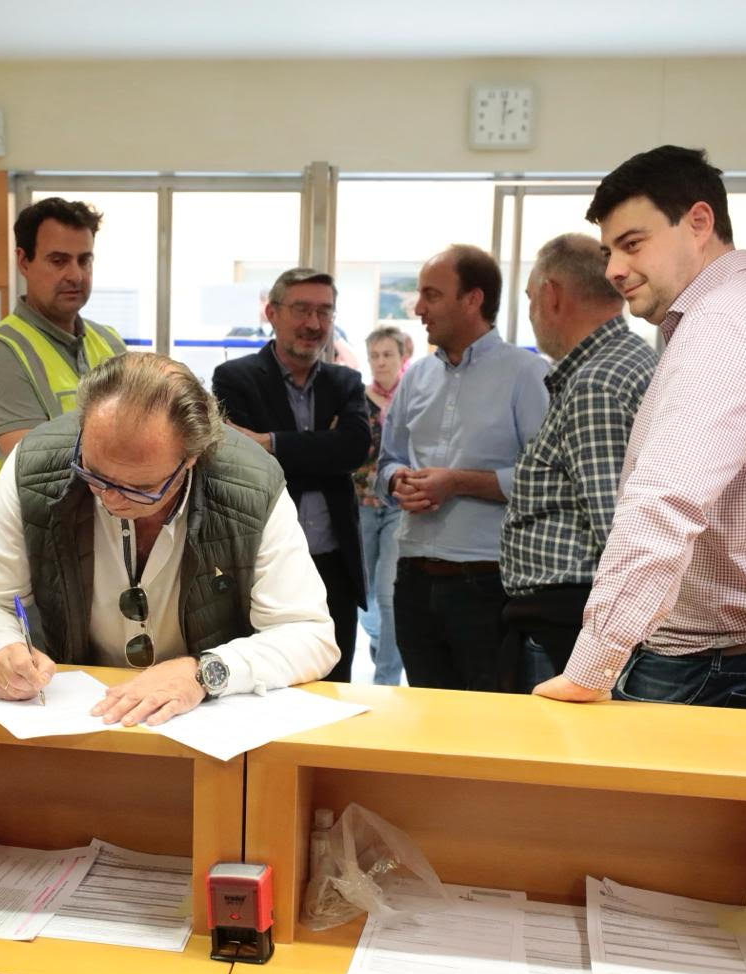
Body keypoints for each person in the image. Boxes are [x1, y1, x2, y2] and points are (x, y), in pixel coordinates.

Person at [536, 146, 746, 711]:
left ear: (699, 222)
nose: (613, 269)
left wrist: (591, 667)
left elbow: (664, 501)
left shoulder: (724, 327)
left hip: (715, 660)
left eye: (633, 244)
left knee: (627, 802)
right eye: (609, 250)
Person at [0, 352, 339, 725]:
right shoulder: (35, 465)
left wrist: (203, 673)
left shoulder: (251, 483)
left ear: (191, 459)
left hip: (203, 724)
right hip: (76, 714)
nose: (111, 498)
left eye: (141, 488)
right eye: (95, 474)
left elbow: (309, 635)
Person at [375, 245, 550, 691]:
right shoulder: (416, 377)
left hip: (487, 582)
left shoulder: (526, 374)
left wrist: (457, 483)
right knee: (427, 721)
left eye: (431, 295)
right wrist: (396, 481)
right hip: (412, 577)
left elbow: (546, 478)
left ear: (473, 299)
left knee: (491, 728)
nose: (418, 309)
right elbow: (387, 461)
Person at [498, 234, 658, 692]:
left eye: (530, 298)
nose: (531, 313)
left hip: (568, 628)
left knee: (545, 762)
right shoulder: (627, 359)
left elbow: (615, 529)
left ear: (551, 295)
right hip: (572, 620)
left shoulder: (595, 384)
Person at [212, 268, 369, 682]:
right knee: (263, 682)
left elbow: (354, 448)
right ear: (272, 312)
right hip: (262, 565)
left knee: (336, 688)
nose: (314, 324)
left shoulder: (346, 382)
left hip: (335, 566)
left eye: (324, 311)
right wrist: (323, 448)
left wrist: (270, 443)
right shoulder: (235, 378)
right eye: (301, 309)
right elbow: (240, 462)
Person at [0, 197, 127, 542]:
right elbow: (40, 468)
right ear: (23, 261)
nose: (75, 275)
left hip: (99, 545)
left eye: (84, 260)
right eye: (58, 261)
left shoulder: (109, 342)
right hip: (23, 553)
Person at [355, 326, 410, 685]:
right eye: (374, 355)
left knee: (389, 594)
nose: (380, 362)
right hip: (360, 504)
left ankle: (386, 678)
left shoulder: (412, 396)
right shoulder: (357, 400)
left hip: (398, 507)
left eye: (387, 354)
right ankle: (378, 639)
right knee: (367, 595)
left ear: (402, 357)